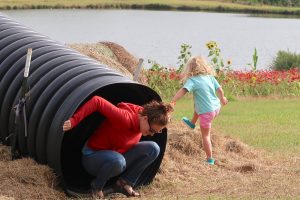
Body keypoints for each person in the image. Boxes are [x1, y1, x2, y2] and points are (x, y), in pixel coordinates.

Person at [63, 96, 173, 199]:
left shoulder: (145, 115)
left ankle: (124, 183)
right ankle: (96, 188)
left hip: (116, 155)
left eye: (157, 132)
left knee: (153, 149)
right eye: (152, 130)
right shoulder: (125, 117)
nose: (152, 134)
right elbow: (97, 101)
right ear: (144, 119)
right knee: (118, 161)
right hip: (92, 157)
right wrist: (74, 121)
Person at [171, 56, 228, 165]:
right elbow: (219, 89)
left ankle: (210, 159)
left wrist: (173, 101)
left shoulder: (192, 80)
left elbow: (183, 91)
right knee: (198, 104)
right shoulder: (210, 77)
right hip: (216, 107)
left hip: (207, 113)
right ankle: (192, 123)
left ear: (190, 69)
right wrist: (223, 99)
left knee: (205, 135)